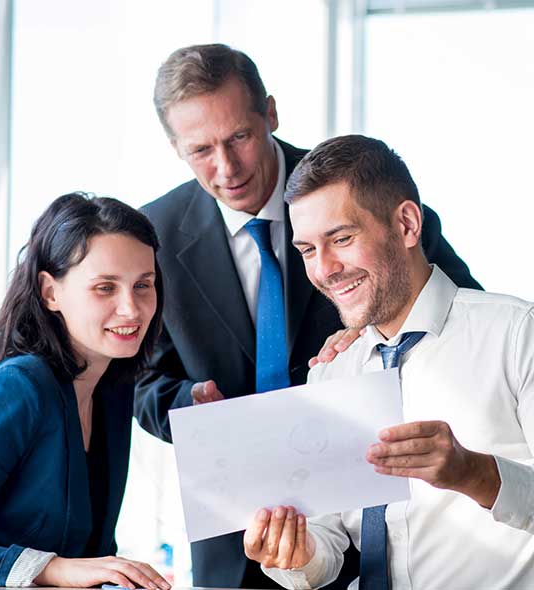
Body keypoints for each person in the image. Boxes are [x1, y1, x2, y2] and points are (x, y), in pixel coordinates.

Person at [133, 44, 481, 589]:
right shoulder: (153, 233)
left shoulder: (358, 189)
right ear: (175, 147)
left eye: (240, 137)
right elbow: (142, 379)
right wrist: (189, 403)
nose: (226, 168)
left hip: (376, 512)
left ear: (270, 113)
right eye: (200, 150)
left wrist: (375, 329)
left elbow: (461, 317)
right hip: (236, 532)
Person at [243, 134, 534, 589]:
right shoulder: (332, 369)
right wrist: (296, 556)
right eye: (307, 250)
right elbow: (326, 544)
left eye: (341, 238)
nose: (324, 269)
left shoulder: (516, 334)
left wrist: (474, 473)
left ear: (407, 224)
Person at [0, 193, 171, 589]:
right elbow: (66, 567)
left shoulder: (113, 391)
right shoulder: (18, 389)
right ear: (50, 292)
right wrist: (51, 568)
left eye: (142, 285)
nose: (132, 309)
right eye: (105, 288)